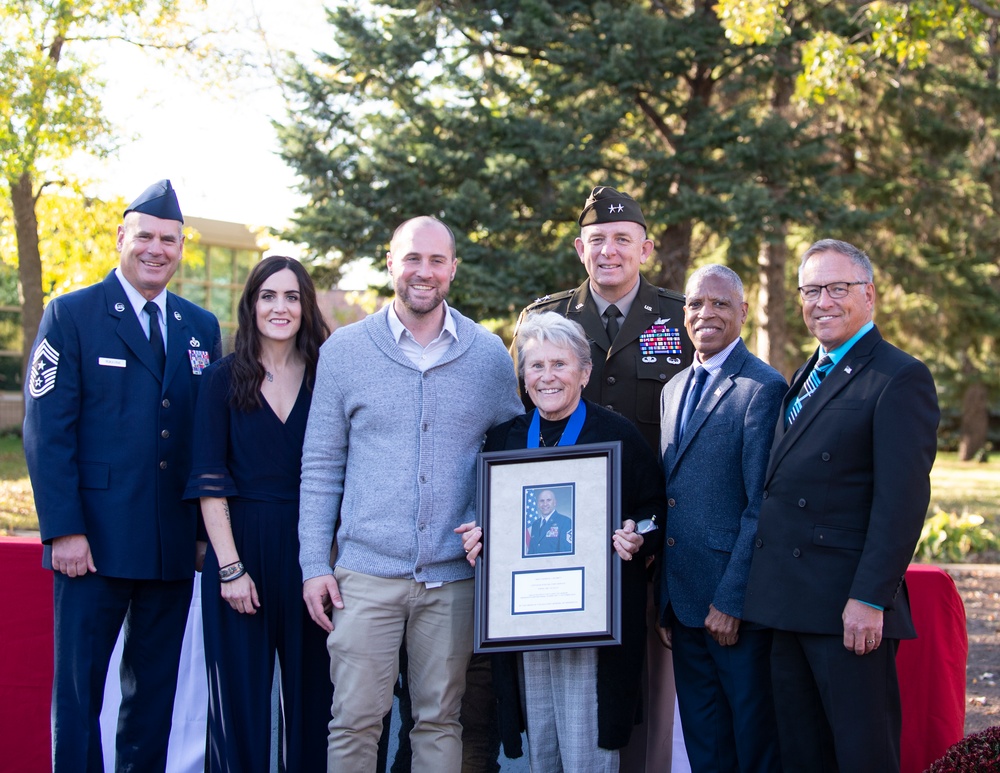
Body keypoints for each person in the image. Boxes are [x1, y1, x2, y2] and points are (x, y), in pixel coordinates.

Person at [297, 215, 523, 772]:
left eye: (437, 260)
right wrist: (312, 563)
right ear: (391, 263)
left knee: (441, 721)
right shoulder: (345, 352)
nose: (425, 272)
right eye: (412, 259)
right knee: (353, 721)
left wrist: (486, 519)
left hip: (451, 581)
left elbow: (513, 456)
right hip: (365, 578)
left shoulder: (488, 355)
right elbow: (322, 465)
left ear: (452, 268)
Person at [23, 179, 222, 771]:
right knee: (81, 694)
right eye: (145, 237)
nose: (156, 249)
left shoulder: (200, 326)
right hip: (92, 542)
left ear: (181, 246)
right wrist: (63, 529)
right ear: (121, 238)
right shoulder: (72, 314)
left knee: (152, 695)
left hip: (169, 545)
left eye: (169, 239)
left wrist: (200, 535)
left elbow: (201, 437)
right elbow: (46, 431)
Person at [507, 185, 693, 771]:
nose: (609, 251)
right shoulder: (547, 318)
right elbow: (527, 421)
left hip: (651, 534)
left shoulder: (679, 316)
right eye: (596, 241)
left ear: (645, 247)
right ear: (579, 249)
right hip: (561, 545)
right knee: (574, 687)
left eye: (622, 239)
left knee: (646, 691)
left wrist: (654, 533)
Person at [743, 239, 940, 773]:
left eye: (837, 288)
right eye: (811, 290)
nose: (822, 301)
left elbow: (901, 504)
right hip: (787, 604)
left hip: (845, 609)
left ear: (869, 296)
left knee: (860, 756)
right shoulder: (806, 373)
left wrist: (870, 599)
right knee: (802, 756)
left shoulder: (899, 377)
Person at [458, 312, 666, 773]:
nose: (547, 377)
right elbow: (491, 518)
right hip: (527, 621)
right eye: (535, 366)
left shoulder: (618, 435)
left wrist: (638, 536)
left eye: (560, 364)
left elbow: (656, 513)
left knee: (587, 751)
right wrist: (479, 536)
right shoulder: (504, 439)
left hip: (595, 627)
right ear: (523, 376)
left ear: (585, 372)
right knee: (544, 756)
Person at [184, 256, 332, 771]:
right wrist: (229, 569)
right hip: (239, 552)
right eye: (269, 295)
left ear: (305, 306)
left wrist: (328, 561)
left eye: (292, 296)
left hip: (310, 557)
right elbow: (208, 478)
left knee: (315, 707)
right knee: (239, 711)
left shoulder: (326, 377)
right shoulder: (224, 378)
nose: (280, 307)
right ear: (251, 304)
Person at [657, 265, 786, 772]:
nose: (705, 313)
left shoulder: (762, 388)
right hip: (683, 605)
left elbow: (761, 505)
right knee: (705, 747)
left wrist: (731, 600)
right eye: (695, 304)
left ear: (743, 312)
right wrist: (664, 600)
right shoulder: (672, 389)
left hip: (730, 610)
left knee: (750, 745)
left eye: (720, 304)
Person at [526, 488, 573, 555]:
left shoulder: (565, 522)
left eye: (548, 500)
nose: (545, 504)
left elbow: (565, 554)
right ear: (538, 504)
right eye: (542, 501)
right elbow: (531, 551)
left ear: (554, 503)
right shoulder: (535, 524)